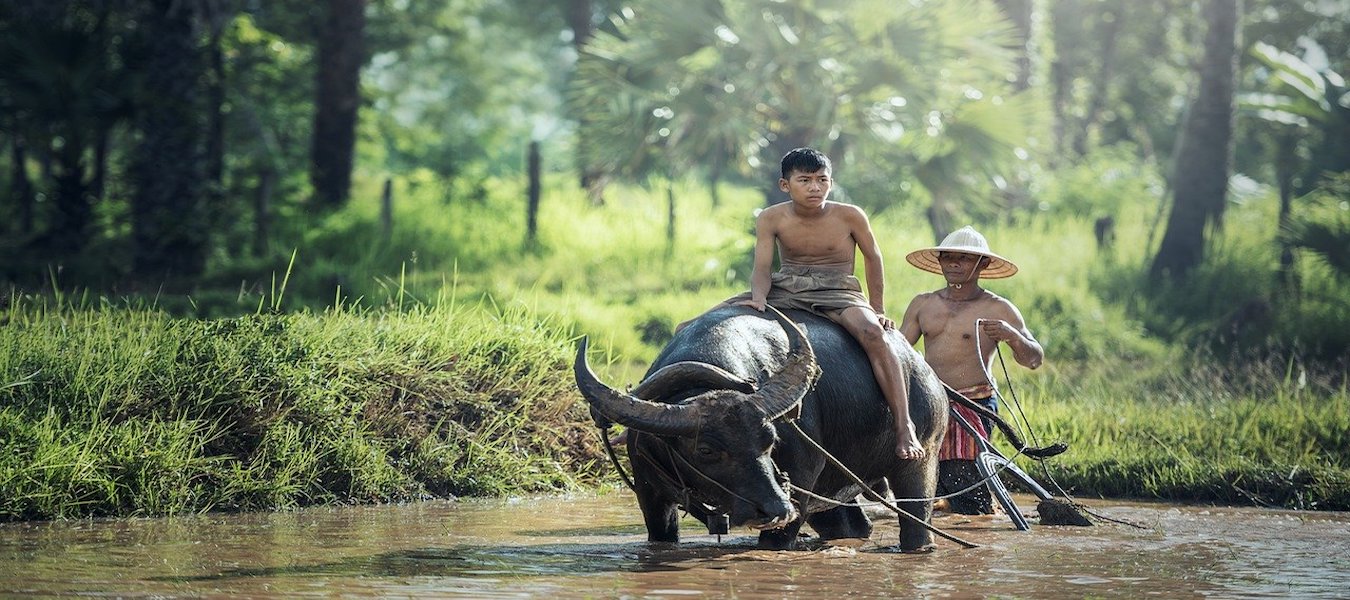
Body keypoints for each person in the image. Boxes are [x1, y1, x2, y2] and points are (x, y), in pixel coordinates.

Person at [692, 147, 925, 460]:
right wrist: (759, 296)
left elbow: (873, 258)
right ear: (785, 185)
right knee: (695, 324)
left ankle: (903, 425)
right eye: (805, 180)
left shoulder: (849, 215)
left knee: (874, 334)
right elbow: (762, 267)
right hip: (788, 287)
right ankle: (652, 414)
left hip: (838, 289)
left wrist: (878, 308)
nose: (815, 187)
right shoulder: (771, 217)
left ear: (830, 182)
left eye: (822, 180)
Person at [898, 225, 1043, 515]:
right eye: (948, 257)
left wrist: (1011, 335)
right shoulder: (923, 304)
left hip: (973, 403)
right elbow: (900, 352)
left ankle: (974, 521)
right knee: (920, 480)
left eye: (963, 258)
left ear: (983, 264)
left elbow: (1034, 359)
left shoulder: (999, 308)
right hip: (928, 403)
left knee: (968, 488)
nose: (953, 263)